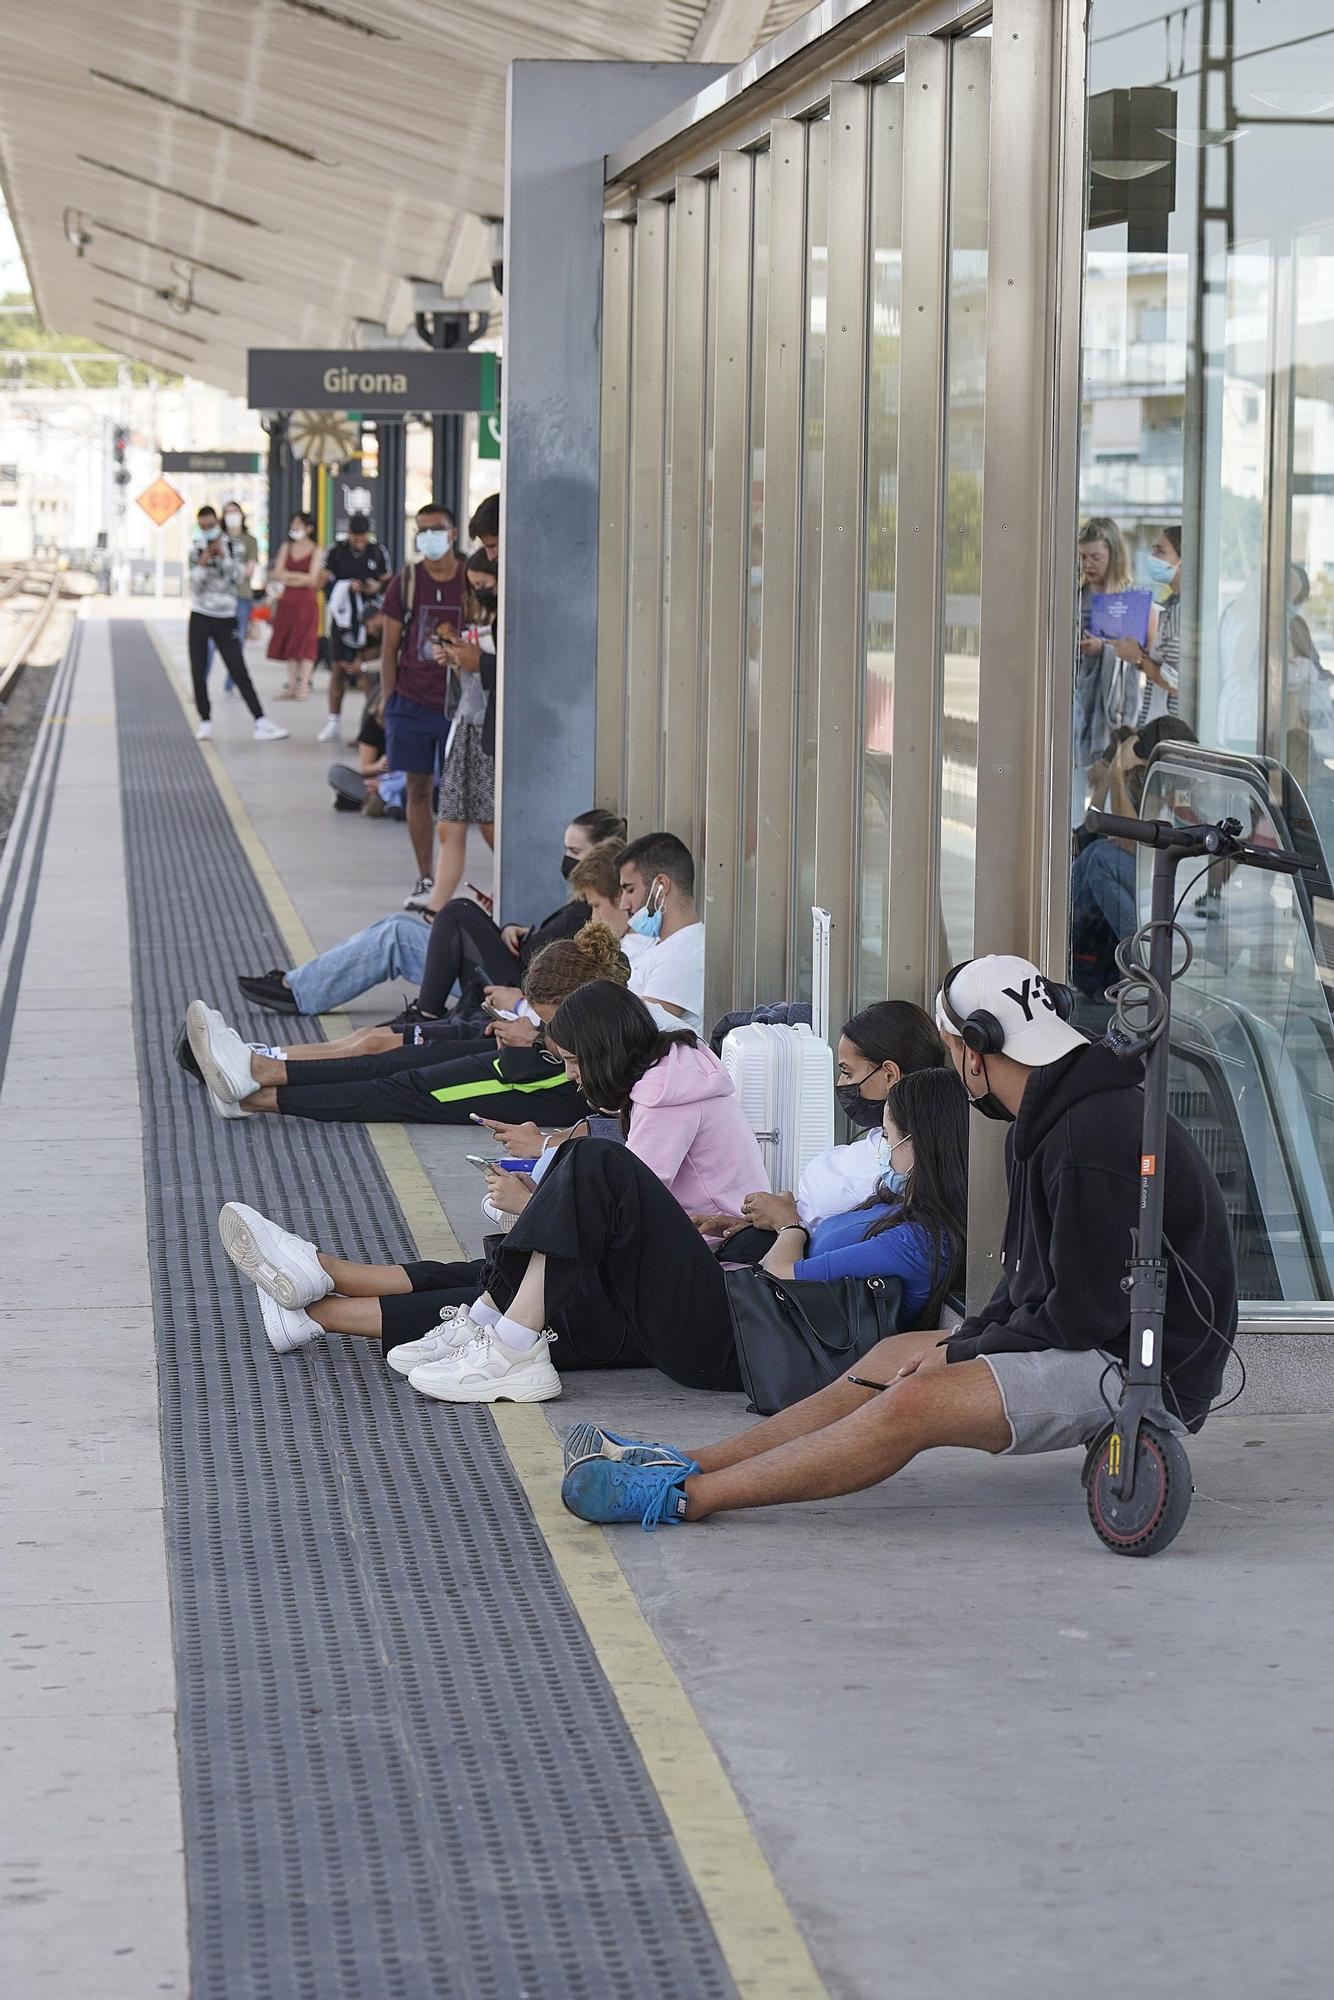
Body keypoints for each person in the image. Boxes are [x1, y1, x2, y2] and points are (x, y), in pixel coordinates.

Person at [557, 953, 1238, 1532]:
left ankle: (683, 1499)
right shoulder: (1055, 1114)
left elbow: (1082, 1313)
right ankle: (693, 1458)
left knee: (912, 1401)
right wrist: (964, 1343)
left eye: (948, 1051)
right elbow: (1034, 1288)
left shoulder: (1087, 1134)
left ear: (977, 1048)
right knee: (894, 1355)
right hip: (1097, 1338)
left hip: (1142, 1369)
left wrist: (965, 1353)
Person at [215, 980, 789, 1390]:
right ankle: (326, 1280)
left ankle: (334, 1309)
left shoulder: (668, 1092)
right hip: (704, 1270)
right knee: (514, 1266)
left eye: (570, 1062)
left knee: (547, 1262)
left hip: (713, 1294)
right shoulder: (666, 1081)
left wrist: (536, 1198)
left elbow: (631, 1200)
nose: (570, 1077)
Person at [189, 922, 631, 1128]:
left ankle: (255, 1092)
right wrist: (536, 1036)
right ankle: (255, 1074)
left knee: (397, 1091)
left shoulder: (608, 1026)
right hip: (522, 1066)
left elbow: (593, 1082)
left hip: (533, 1088)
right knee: (390, 1063)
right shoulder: (594, 1013)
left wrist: (537, 1039)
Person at [222, 809, 625, 1019]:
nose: (566, 860)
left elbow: (555, 963)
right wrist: (516, 930)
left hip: (512, 987)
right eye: (566, 850)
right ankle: (301, 984)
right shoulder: (582, 902)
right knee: (398, 927)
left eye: (576, 853)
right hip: (509, 969)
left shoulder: (599, 907)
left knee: (445, 917)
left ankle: (304, 990)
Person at [708, 1000, 948, 1262]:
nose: (841, 1083)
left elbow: (813, 1247)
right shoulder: (885, 1149)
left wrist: (787, 1222)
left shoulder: (898, 1167)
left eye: (847, 1072)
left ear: (890, 1075)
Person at [379, 500, 468, 906]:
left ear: (452, 532)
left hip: (460, 704)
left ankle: (453, 879)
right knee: (418, 789)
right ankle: (426, 878)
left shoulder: (470, 577)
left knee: (460, 795)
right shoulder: (407, 580)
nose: (428, 536)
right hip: (412, 702)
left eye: (436, 528)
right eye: (422, 530)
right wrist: (388, 697)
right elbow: (389, 646)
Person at [425, 548, 498, 908]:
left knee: (491, 825)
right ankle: (436, 907)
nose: (479, 594)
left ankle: (511, 889)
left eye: (485, 585)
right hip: (468, 728)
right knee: (449, 823)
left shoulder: (509, 622)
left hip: (491, 732)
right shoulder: (479, 625)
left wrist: (477, 659)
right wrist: (458, 659)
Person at [186, 506, 287, 744]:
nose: (208, 531)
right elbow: (194, 585)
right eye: (203, 527)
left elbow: (239, 577)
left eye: (211, 526)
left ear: (218, 524)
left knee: (237, 668)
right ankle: (205, 721)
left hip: (226, 615)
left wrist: (223, 557)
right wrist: (202, 562)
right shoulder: (195, 549)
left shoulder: (234, 547)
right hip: (200, 614)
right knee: (198, 670)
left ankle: (260, 721)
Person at [1074, 516, 1145, 821]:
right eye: (1082, 557)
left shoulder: (1129, 601)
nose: (1088, 565)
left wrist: (1102, 649)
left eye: (1095, 557)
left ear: (1113, 556)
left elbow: (1135, 659)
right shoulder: (1074, 598)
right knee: (1072, 795)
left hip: (1112, 718)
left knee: (1108, 799)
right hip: (1077, 711)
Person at [616, 832, 706, 1032]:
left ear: (661, 886)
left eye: (629, 890)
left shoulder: (686, 951)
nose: (623, 904)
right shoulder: (661, 944)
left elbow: (634, 1030)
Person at [318, 511, 390, 743]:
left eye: (363, 539)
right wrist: (345, 587)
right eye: (355, 538)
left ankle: (370, 727)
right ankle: (333, 722)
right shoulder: (335, 552)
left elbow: (387, 580)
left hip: (370, 622)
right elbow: (321, 580)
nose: (359, 543)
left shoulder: (378, 551)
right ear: (348, 534)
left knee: (367, 672)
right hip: (343, 620)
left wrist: (374, 586)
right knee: (338, 670)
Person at [1109, 525, 1180, 730]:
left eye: (1160, 550)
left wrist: (1138, 658)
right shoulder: (1168, 606)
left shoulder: (1181, 612)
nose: (1152, 556)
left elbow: (1175, 681)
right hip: (1154, 722)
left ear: (1181, 559)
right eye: (1153, 549)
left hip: (1170, 730)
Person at [267, 511, 325, 702]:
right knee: (290, 642)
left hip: (307, 602)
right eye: (293, 523)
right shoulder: (286, 547)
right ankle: (291, 686)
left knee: (306, 642)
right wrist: (298, 577)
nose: (295, 527)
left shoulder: (317, 550)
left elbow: (312, 578)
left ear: (309, 528)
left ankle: (303, 686)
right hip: (287, 601)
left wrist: (290, 576)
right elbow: (278, 573)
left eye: (299, 524)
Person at [215, 500, 259, 689]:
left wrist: (229, 568)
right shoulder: (217, 540)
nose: (232, 515)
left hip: (241, 596)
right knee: (210, 641)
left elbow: (249, 570)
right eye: (227, 512)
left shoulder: (250, 540)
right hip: (218, 596)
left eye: (235, 512)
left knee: (237, 639)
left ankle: (231, 683)